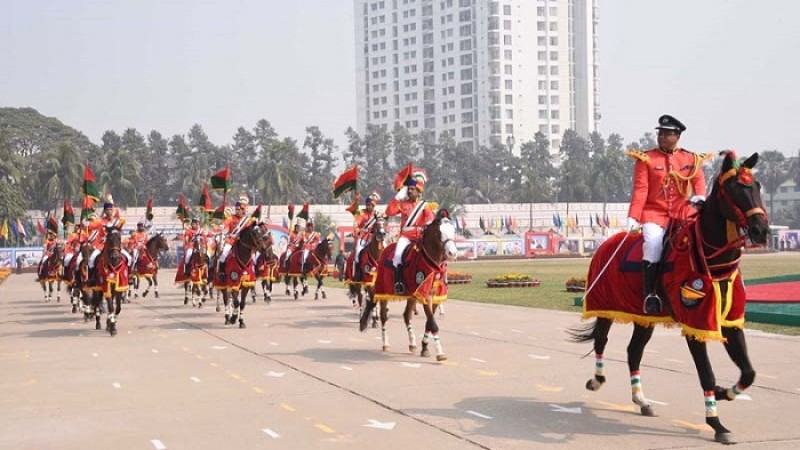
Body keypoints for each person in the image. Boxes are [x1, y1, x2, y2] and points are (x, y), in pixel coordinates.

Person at [626, 114, 707, 314]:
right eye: (660, 133)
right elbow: (640, 190)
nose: (661, 137)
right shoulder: (646, 159)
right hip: (654, 214)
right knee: (653, 245)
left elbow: (698, 181)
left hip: (683, 214)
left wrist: (700, 197)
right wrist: (634, 216)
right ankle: (650, 294)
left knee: (703, 241)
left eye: (666, 134)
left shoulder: (691, 159)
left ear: (677, 136)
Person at [385, 170, 434, 294]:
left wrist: (428, 225)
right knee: (397, 257)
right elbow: (389, 212)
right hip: (406, 237)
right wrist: (397, 198)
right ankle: (399, 283)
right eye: (408, 189)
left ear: (418, 191)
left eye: (412, 189)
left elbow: (429, 219)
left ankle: (436, 280)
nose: (409, 191)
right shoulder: (402, 204)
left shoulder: (425, 206)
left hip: (421, 237)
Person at [351, 191, 381, 279]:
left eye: (371, 205)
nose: (369, 206)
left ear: (374, 205)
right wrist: (357, 230)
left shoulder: (377, 214)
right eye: (368, 204)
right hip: (363, 237)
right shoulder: (361, 213)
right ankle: (357, 272)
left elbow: (381, 224)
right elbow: (356, 223)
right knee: (358, 251)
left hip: (373, 237)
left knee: (385, 249)